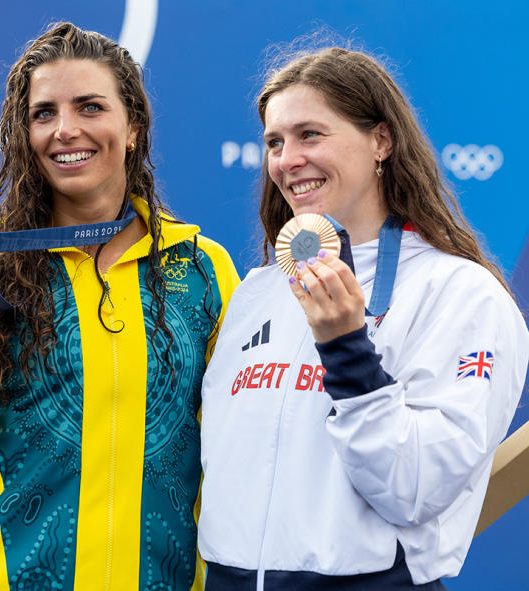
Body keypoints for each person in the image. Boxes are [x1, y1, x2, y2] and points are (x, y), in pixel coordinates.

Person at [0, 22, 240, 591]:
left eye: (89, 107)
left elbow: (232, 462)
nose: (65, 131)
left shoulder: (203, 269)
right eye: (43, 113)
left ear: (132, 127)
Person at [197, 45, 529, 590]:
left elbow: (415, 486)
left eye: (310, 135)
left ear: (381, 140)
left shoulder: (463, 295)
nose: (286, 160)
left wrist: (347, 348)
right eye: (275, 142)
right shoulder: (257, 292)